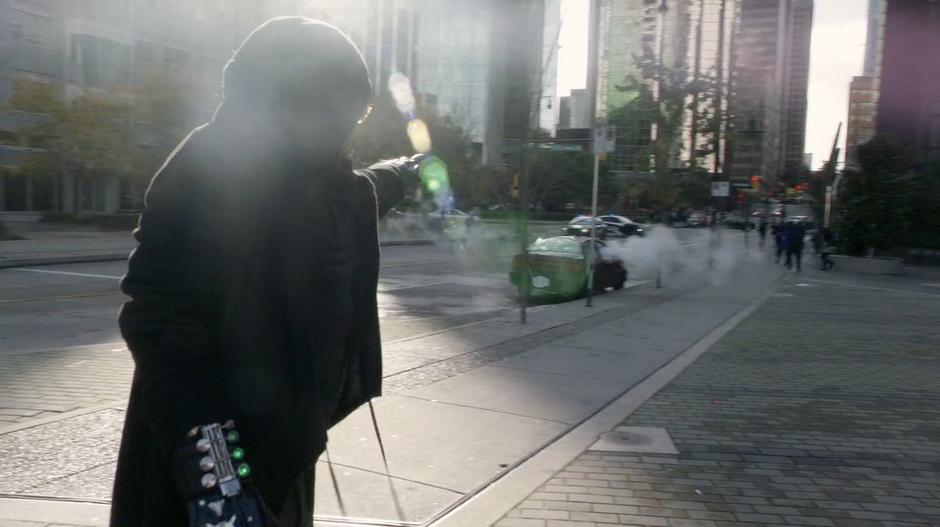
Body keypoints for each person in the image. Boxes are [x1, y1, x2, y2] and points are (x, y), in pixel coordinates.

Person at [111, 18, 419, 527]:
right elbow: (158, 320)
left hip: (284, 452)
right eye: (337, 112)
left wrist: (404, 171)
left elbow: (359, 192)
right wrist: (221, 483)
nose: (344, 131)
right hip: (196, 469)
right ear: (294, 101)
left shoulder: (315, 176)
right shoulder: (209, 166)